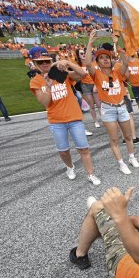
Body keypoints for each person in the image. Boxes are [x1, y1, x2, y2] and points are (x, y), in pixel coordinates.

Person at [28, 46, 101, 185]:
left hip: (74, 117)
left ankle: (91, 174)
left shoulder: (61, 73)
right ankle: (70, 167)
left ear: (51, 60)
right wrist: (48, 86)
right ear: (35, 64)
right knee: (63, 151)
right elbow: (45, 103)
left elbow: (82, 74)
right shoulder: (36, 81)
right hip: (56, 121)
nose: (44, 64)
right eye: (40, 62)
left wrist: (68, 63)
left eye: (47, 61)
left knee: (83, 148)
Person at [85, 29, 139, 175]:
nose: (105, 59)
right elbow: (87, 63)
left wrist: (117, 44)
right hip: (108, 109)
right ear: (98, 62)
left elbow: (126, 62)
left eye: (107, 57)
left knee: (127, 136)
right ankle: (121, 163)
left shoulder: (117, 72)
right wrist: (90, 43)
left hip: (121, 107)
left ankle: (131, 157)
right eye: (101, 58)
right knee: (114, 139)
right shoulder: (96, 74)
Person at [75, 47, 101, 128]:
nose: (84, 55)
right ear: (78, 56)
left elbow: (98, 75)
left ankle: (105, 119)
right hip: (85, 85)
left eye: (84, 53)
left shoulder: (93, 63)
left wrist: (96, 84)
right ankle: (95, 121)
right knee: (91, 105)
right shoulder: (77, 65)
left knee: (99, 104)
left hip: (95, 84)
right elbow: (76, 78)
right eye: (81, 54)